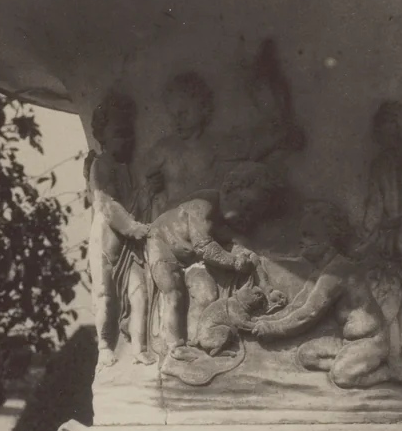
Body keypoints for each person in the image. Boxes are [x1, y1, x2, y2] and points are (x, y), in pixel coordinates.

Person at [248, 200, 395, 389]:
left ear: (329, 239)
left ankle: (385, 373)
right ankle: (349, 363)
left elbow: (309, 313)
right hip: (347, 341)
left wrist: (274, 329)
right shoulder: (321, 272)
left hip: (371, 342)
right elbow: (297, 306)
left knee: (342, 378)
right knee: (306, 355)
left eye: (309, 235)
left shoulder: (336, 271)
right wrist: (266, 320)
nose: (302, 241)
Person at [146, 161, 282, 356]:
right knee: (173, 291)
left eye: (255, 214)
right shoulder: (204, 205)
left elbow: (247, 254)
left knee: (208, 295)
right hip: (163, 245)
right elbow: (204, 247)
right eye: (247, 207)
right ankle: (175, 346)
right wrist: (234, 261)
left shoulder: (226, 221)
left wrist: (268, 290)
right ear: (229, 190)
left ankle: (198, 341)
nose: (248, 218)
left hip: (191, 260)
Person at [85, 91, 152, 367]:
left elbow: (134, 200)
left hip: (128, 242)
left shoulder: (127, 168)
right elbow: (107, 204)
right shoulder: (101, 165)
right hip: (107, 240)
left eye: (129, 134)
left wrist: (148, 192)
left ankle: (139, 347)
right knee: (106, 296)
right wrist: (134, 228)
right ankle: (104, 345)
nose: (127, 140)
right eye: (119, 133)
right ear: (102, 136)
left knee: (140, 293)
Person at [142, 72, 219, 219]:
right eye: (173, 115)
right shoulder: (164, 149)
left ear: (203, 108)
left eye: (183, 113)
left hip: (205, 220)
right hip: (172, 222)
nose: (177, 120)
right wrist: (150, 187)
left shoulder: (215, 146)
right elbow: (140, 183)